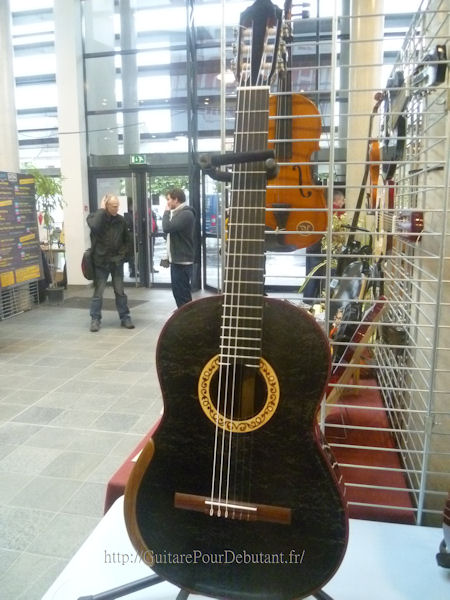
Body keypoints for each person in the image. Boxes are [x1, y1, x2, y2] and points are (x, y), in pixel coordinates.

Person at [87, 193, 135, 332]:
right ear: (106, 205)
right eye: (113, 206)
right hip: (101, 262)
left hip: (116, 262)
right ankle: (95, 319)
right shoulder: (94, 218)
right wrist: (101, 210)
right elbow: (95, 227)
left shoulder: (121, 221)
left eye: (117, 206)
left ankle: (125, 317)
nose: (116, 208)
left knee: (120, 291)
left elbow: (127, 240)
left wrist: (122, 255)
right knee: (99, 292)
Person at [302, 187, 347, 303]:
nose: (343, 204)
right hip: (328, 248)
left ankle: (307, 301)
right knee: (328, 276)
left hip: (312, 244)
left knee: (312, 275)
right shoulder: (339, 213)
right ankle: (325, 302)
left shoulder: (319, 210)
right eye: (343, 201)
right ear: (339, 200)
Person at [161, 187, 195, 308]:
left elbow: (167, 227)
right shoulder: (178, 213)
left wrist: (165, 212)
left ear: (176, 199)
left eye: (169, 199)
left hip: (182, 263)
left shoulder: (186, 214)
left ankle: (188, 321)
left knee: (183, 295)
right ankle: (184, 317)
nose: (168, 203)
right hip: (177, 261)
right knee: (178, 293)